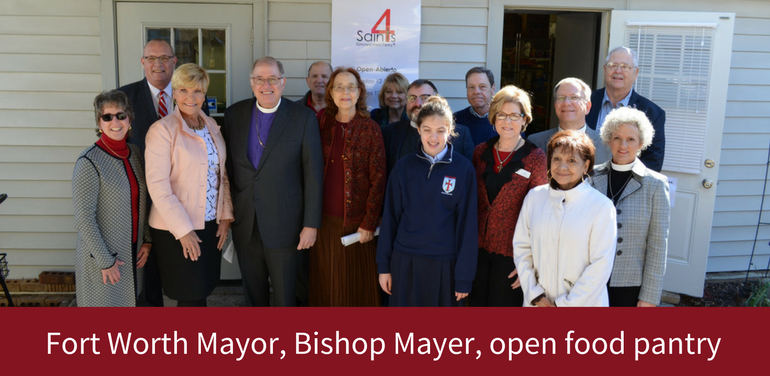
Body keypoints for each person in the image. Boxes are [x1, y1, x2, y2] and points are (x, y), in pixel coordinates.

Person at [222, 56, 323, 307]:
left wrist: (311, 225)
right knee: (253, 296)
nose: (266, 85)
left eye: (272, 79)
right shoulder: (235, 114)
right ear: (251, 82)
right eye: (259, 79)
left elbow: (313, 175)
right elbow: (226, 171)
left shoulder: (302, 118)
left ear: (283, 82)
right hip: (246, 223)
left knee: (286, 297)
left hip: (285, 226)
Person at [145, 63, 234, 307]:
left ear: (205, 95)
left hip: (209, 223)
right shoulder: (162, 130)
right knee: (190, 294)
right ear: (173, 93)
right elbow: (158, 186)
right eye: (183, 90)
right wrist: (183, 230)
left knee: (200, 292)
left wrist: (225, 216)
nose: (190, 97)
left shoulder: (212, 127)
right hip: (176, 228)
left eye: (197, 91)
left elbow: (221, 173)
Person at [377, 96, 478, 307]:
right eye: (427, 129)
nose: (434, 137)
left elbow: (467, 227)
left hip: (445, 264)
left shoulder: (463, 169)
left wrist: (464, 277)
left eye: (441, 130)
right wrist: (384, 267)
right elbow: (390, 220)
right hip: (405, 261)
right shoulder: (403, 168)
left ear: (450, 131)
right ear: (418, 130)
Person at [513, 130, 617, 307]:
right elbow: (522, 249)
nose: (562, 167)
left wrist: (566, 305)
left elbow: (601, 265)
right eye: (556, 159)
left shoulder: (601, 206)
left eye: (571, 161)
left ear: (586, 166)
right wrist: (535, 295)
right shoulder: (534, 197)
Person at [311, 67, 387, 306]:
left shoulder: (370, 128)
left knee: (356, 287)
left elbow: (379, 179)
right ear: (331, 92)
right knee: (326, 284)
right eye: (339, 87)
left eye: (351, 87)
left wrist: (369, 222)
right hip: (322, 223)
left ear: (359, 92)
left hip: (357, 225)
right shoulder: (321, 123)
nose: (345, 92)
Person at [72, 90, 151, 307]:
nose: (114, 121)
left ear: (129, 119)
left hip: (132, 254)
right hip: (103, 259)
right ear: (99, 123)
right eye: (107, 117)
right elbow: (84, 219)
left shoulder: (134, 153)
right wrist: (106, 261)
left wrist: (147, 240)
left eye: (120, 115)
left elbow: (142, 202)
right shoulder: (89, 161)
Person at [471, 85, 547, 307]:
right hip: (477, 252)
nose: (507, 121)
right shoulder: (480, 153)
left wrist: (529, 262)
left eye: (515, 115)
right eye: (502, 115)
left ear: (525, 120)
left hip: (512, 256)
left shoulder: (535, 158)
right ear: (493, 119)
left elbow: (539, 213)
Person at [117, 39, 178, 307]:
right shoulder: (123, 97)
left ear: (174, 61)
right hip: (140, 200)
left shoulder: (189, 95)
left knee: (183, 273)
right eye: (151, 58)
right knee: (146, 276)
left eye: (164, 57)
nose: (158, 64)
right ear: (142, 62)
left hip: (180, 198)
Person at [591, 107, 670, 307]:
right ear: (609, 140)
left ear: (641, 143)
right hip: (591, 281)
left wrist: (649, 297)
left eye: (631, 139)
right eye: (617, 137)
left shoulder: (656, 184)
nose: (623, 145)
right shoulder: (590, 178)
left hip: (630, 285)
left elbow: (658, 246)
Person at [586, 46, 666, 172]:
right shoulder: (585, 102)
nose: (618, 71)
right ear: (605, 69)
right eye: (613, 65)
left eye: (625, 67)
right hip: (585, 182)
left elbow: (653, 162)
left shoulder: (652, 113)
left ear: (636, 73)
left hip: (626, 187)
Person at [295, 60, 332, 306]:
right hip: (299, 194)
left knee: (327, 257)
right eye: (315, 76)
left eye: (325, 76)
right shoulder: (293, 110)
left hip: (332, 193)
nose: (320, 80)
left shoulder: (342, 111)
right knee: (301, 258)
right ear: (307, 81)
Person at [381, 79, 475, 174]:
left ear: (436, 100)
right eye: (412, 98)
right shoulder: (388, 133)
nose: (418, 103)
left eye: (424, 97)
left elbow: (468, 175)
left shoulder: (461, 135)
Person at [528, 77, 611, 165]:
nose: (567, 103)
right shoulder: (535, 142)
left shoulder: (606, 145)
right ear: (555, 105)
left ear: (587, 107)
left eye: (574, 97)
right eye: (561, 98)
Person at [453, 67, 497, 145]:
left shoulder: (505, 121)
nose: (476, 92)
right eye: (471, 87)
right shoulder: (455, 120)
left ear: (493, 89)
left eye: (482, 86)